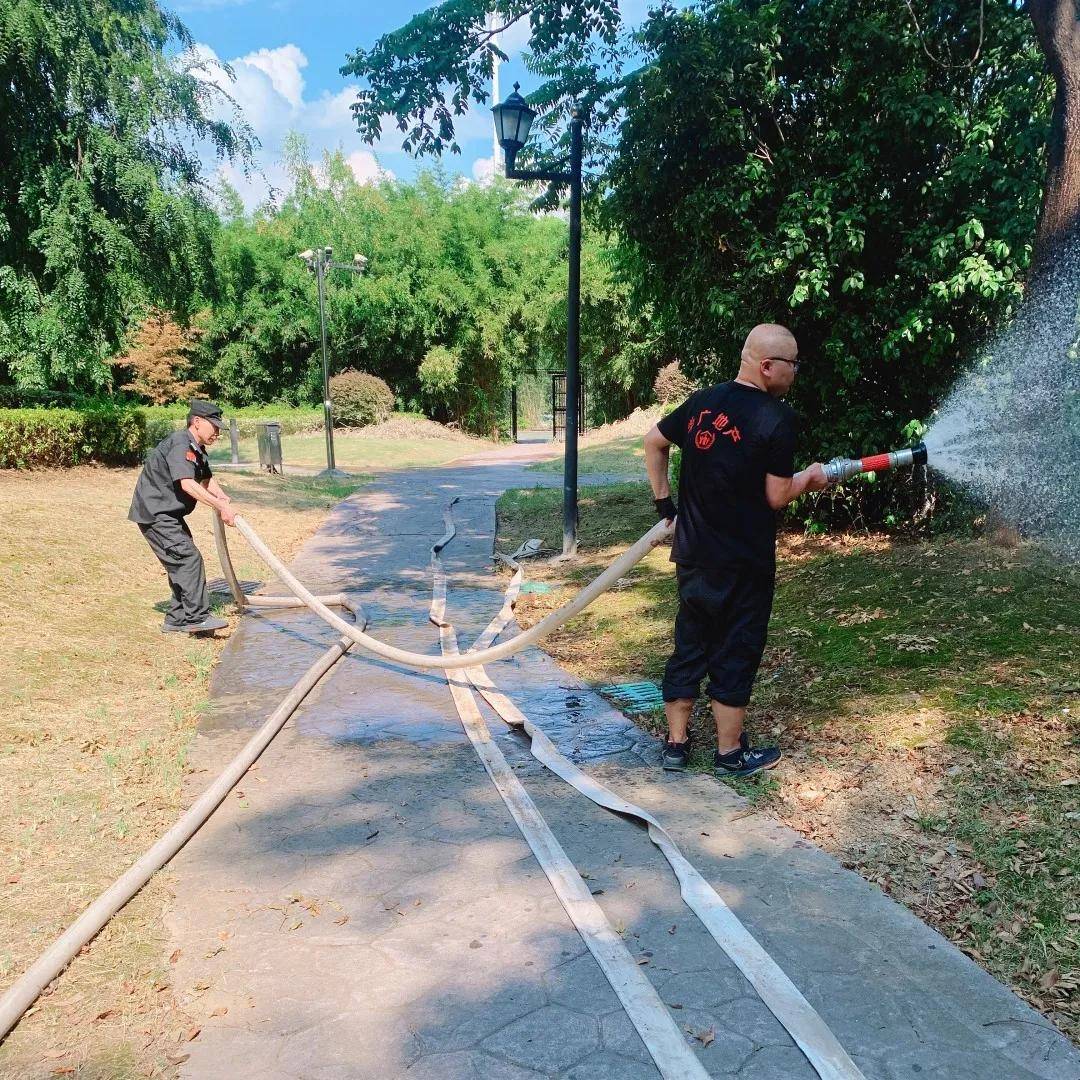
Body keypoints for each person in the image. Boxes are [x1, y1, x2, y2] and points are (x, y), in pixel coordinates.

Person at [643, 324, 831, 777]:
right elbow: (777, 495)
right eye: (793, 364)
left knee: (690, 644)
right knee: (736, 649)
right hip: (744, 561)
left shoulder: (702, 402)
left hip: (693, 555)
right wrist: (810, 478)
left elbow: (653, 441)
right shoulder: (776, 418)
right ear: (767, 366)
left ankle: (676, 744)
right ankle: (729, 754)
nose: (795, 372)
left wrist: (665, 505)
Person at [129, 399, 237, 634]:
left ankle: (176, 620)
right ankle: (197, 618)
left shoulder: (197, 448)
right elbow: (187, 483)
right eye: (214, 426)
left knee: (181, 562)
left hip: (168, 515)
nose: (217, 433)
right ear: (197, 421)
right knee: (188, 559)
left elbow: (205, 479)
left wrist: (222, 497)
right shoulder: (180, 444)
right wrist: (219, 506)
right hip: (156, 515)